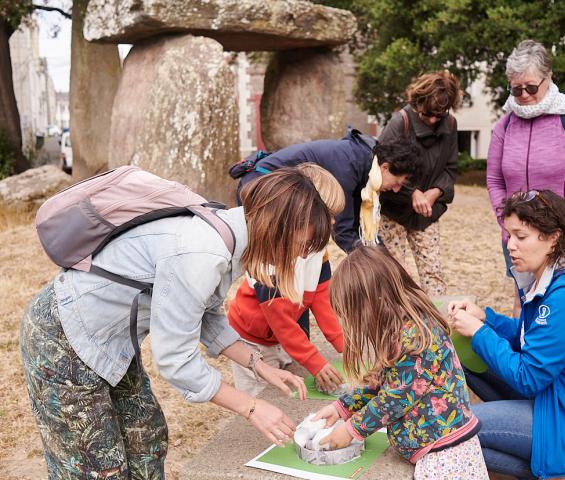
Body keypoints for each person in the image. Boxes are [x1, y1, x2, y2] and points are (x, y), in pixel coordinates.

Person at [19, 168, 335, 479]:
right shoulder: (202, 250)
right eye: (301, 246)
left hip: (110, 340)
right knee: (98, 466)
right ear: (278, 228)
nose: (300, 256)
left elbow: (205, 316)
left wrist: (259, 365)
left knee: (146, 439)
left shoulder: (230, 235)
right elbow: (176, 361)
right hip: (63, 337)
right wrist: (252, 408)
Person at [448, 190, 565, 480]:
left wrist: (481, 332)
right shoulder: (550, 275)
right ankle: (550, 466)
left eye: (520, 237)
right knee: (467, 360)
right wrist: (487, 318)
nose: (510, 245)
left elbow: (529, 376)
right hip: (558, 398)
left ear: (552, 238)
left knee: (455, 429)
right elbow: (530, 338)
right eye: (508, 235)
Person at [314, 246, 489, 480]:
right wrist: (342, 408)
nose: (351, 324)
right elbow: (382, 380)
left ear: (373, 301)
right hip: (433, 448)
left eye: (353, 315)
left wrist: (351, 430)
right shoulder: (400, 328)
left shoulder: (417, 336)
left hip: (446, 456)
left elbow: (395, 397)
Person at [486, 39, 565, 316]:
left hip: (561, 236)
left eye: (531, 87)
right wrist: (507, 222)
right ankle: (525, 357)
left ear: (548, 79)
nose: (523, 94)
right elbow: (494, 179)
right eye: (516, 89)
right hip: (518, 237)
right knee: (524, 304)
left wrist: (561, 221)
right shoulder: (505, 124)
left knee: (559, 309)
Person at [228, 164, 345, 395]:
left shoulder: (317, 252)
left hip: (281, 337)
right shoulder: (270, 259)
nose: (331, 223)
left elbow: (324, 304)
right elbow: (280, 321)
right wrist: (316, 363)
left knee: (288, 387)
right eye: (328, 215)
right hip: (252, 340)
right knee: (263, 394)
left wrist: (346, 347)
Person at [234, 128, 419, 252]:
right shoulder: (349, 165)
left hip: (279, 189)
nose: (395, 190)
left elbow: (358, 225)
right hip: (260, 187)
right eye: (398, 183)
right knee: (279, 255)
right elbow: (343, 229)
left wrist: (379, 253)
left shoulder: (364, 164)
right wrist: (374, 260)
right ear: (385, 167)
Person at [377, 70, 462, 297]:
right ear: (417, 103)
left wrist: (434, 193)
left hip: (427, 212)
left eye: (439, 114)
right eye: (427, 114)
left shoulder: (451, 125)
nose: (434, 119)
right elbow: (381, 166)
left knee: (432, 272)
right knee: (393, 273)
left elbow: (451, 168)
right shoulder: (400, 122)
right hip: (393, 208)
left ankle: (439, 324)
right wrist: (411, 192)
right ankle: (397, 325)